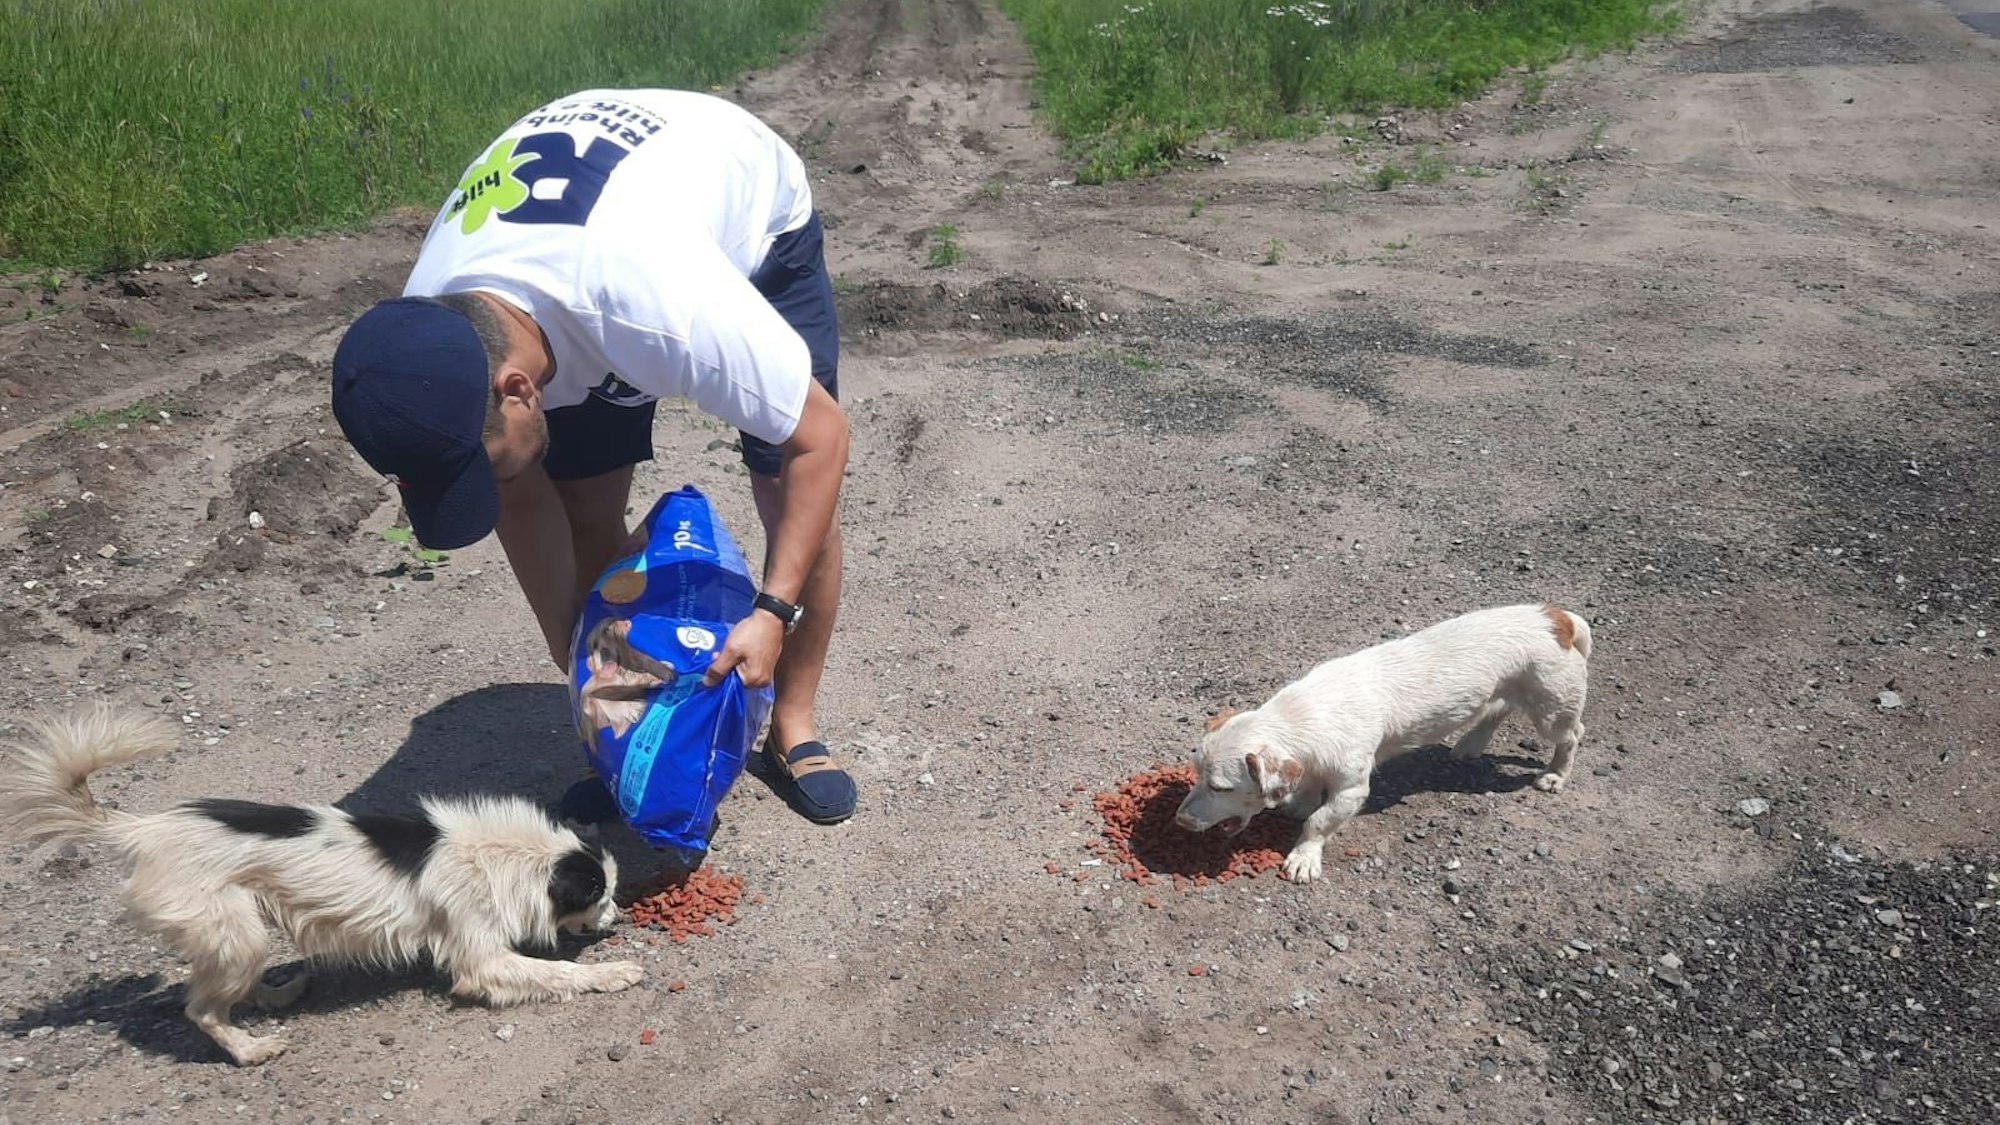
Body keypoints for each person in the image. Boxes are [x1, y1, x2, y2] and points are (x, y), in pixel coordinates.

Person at [328, 88, 856, 825]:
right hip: (578, 261)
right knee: (581, 506)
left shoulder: (659, 306)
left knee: (791, 489)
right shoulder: (430, 334)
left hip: (740, 202)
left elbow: (820, 439)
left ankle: (793, 723)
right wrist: (581, 660)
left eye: (483, 461)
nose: (491, 480)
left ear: (520, 390)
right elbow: (519, 492)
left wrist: (771, 609)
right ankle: (628, 725)